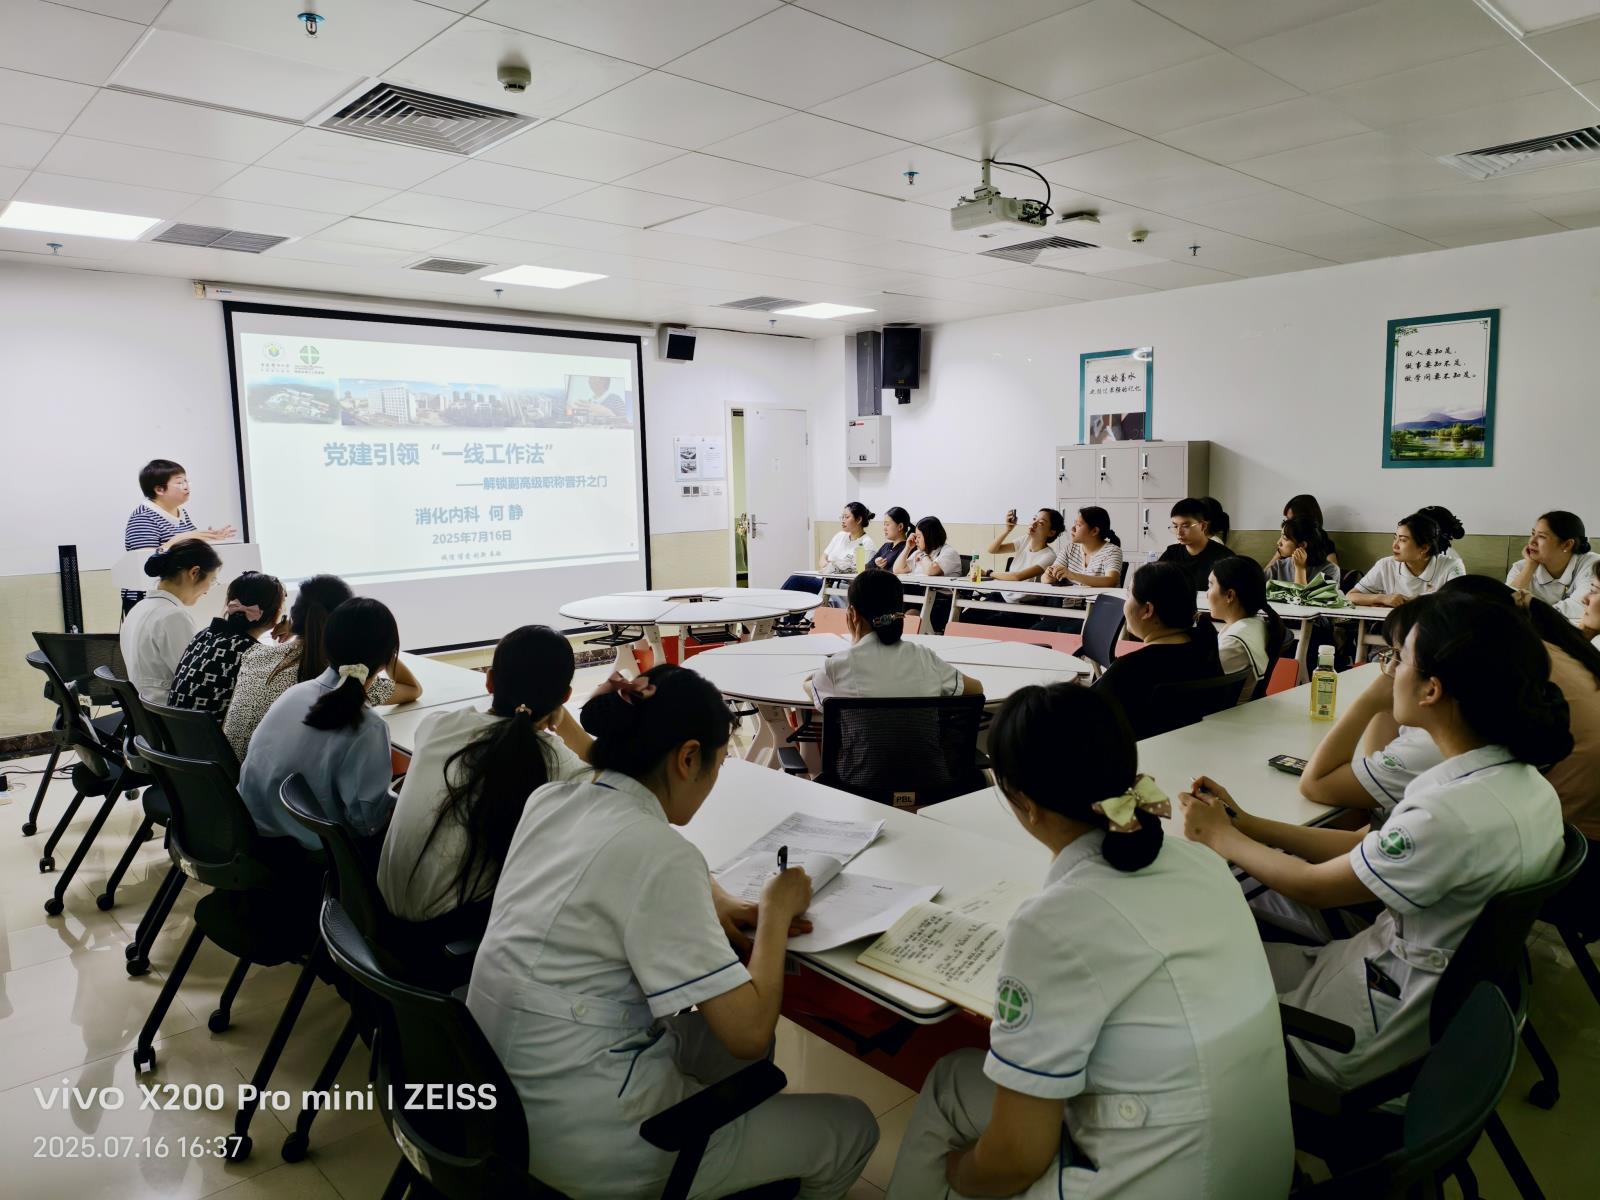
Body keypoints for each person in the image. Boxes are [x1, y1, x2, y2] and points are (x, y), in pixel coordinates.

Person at [467, 664, 879, 1198]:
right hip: (592, 1143)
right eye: (716, 765)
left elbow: (632, 860)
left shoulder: (551, 801)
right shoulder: (659, 853)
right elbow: (749, 1031)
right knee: (851, 1127)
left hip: (504, 1102)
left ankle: (735, 1154)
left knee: (726, 1052)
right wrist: (776, 912)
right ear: (688, 758)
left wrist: (721, 898)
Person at [886, 685, 1292, 1200]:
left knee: (956, 1114)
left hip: (1158, 1177)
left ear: (1025, 805)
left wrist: (956, 1172)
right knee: (960, 1085)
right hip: (1255, 1169)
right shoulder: (1202, 862)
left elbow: (1016, 1158)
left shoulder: (1052, 925)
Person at [1181, 592, 1568, 1091]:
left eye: (1397, 659)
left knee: (1178, 987)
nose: (1387, 671)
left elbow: (1313, 887)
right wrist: (1247, 824)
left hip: (1350, 1037)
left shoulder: (1449, 814)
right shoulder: (1520, 784)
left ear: (1432, 689)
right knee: (1223, 956)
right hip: (1390, 987)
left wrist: (1222, 838)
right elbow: (1365, 850)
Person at [379, 626, 593, 932]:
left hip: (380, 913)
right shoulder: (552, 759)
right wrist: (564, 723)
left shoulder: (437, 726)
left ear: (490, 679)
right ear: (566, 698)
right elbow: (607, 776)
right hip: (444, 934)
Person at [1440, 575, 1600, 844]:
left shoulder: (1523, 663)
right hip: (1574, 828)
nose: (1585, 597)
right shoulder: (1554, 648)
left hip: (1569, 839)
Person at [238, 597, 403, 850]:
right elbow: (367, 823)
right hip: (313, 857)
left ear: (327, 646)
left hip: (253, 837)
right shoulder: (368, 725)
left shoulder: (294, 694)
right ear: (388, 657)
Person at [224, 574, 420, 759]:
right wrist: (380, 643)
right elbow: (412, 689)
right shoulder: (340, 677)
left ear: (293, 616)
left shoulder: (254, 655)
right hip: (278, 789)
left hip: (235, 780)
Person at [1298, 602, 1439, 824]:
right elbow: (1376, 760)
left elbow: (1316, 783)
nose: (1390, 669)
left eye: (1399, 657)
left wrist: (1369, 702)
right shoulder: (1433, 730)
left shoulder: (1427, 746)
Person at [809, 570, 981, 701]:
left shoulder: (837, 667)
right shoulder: (925, 659)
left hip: (862, 749)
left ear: (852, 614)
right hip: (921, 749)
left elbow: (810, 687)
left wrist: (855, 644)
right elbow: (976, 688)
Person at [1094, 562, 1221, 739]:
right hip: (1193, 752)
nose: (1125, 602)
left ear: (1147, 610)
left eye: (1129, 594)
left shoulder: (1130, 670)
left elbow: (1086, 722)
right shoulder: (1206, 645)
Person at [121, 458, 235, 614]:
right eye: (180, 482)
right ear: (159, 489)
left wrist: (208, 538)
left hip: (177, 595)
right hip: (148, 599)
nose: (186, 487)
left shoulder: (181, 513)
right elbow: (146, 564)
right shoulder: (144, 516)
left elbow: (187, 547)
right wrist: (181, 539)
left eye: (187, 481)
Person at [167, 571, 286, 716]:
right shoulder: (252, 653)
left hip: (182, 735)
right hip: (216, 737)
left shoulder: (206, 634)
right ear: (275, 612)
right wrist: (299, 633)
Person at [120, 539, 222, 704]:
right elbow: (194, 681)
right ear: (194, 573)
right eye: (212, 580)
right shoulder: (173, 616)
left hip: (148, 712)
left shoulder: (139, 608)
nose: (208, 590)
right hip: (171, 715)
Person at [1346, 511, 1463, 607]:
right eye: (1395, 538)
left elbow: (1456, 602)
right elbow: (1351, 596)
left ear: (1424, 548)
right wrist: (1382, 598)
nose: (1395, 545)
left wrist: (1410, 601)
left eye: (1403, 540)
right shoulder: (1385, 565)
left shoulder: (1452, 565)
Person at [1206, 556, 1285, 697]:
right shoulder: (1255, 623)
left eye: (1210, 585)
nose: (1207, 594)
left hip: (1225, 715)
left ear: (1230, 595)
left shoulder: (1234, 642)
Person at [968, 508, 1063, 625]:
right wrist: (1007, 530)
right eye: (1034, 518)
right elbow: (992, 549)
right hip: (1002, 596)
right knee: (965, 618)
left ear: (1051, 532)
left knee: (983, 624)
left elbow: (1017, 577)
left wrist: (989, 573)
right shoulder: (1025, 540)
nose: (1033, 523)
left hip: (1022, 608)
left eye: (1041, 523)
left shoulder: (1049, 556)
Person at [1507, 511, 1598, 619]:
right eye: (1533, 534)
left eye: (1541, 536)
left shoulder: (1593, 565)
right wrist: (1530, 566)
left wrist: (1528, 613)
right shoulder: (1520, 568)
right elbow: (1506, 607)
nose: (1532, 541)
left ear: (1567, 544)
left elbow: (1581, 606)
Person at [779, 502, 876, 600]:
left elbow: (860, 573)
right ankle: (783, 611)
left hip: (842, 586)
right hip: (825, 580)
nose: (843, 521)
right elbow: (822, 559)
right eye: (842, 517)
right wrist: (832, 566)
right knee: (796, 582)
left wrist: (833, 566)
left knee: (796, 581)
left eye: (846, 517)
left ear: (859, 519)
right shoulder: (840, 536)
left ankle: (778, 611)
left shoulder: (866, 543)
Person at [1155, 498, 1234, 591]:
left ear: (1203, 526)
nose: (1179, 532)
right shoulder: (1171, 553)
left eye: (1185, 526)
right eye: (1175, 526)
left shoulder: (1223, 557)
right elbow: (1154, 581)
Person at [1042, 505, 1124, 589]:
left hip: (1099, 602)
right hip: (1068, 601)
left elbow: (1111, 581)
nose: (1073, 528)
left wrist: (1072, 575)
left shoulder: (1112, 551)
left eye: (1078, 525)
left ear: (1094, 531)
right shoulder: (1069, 549)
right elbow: (1044, 579)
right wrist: (1049, 576)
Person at [1266, 494, 1339, 569]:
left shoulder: (1324, 543)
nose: (1287, 524)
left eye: (1291, 520)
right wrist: (1279, 554)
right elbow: (1265, 576)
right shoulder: (1285, 544)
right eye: (1286, 519)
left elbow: (1332, 577)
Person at [1266, 516, 1340, 586]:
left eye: (1285, 538)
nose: (1278, 542)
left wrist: (1300, 568)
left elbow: (1301, 599)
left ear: (1302, 545)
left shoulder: (1330, 570)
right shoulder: (1278, 567)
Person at [894, 515, 962, 577]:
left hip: (937, 590)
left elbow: (931, 571)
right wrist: (907, 548)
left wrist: (923, 555)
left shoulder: (950, 553)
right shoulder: (919, 552)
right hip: (917, 589)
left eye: (918, 537)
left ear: (929, 537)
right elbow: (897, 569)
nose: (916, 540)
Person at [869, 506, 913, 571]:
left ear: (900, 526)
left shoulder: (908, 548)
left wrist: (880, 568)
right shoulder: (885, 546)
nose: (884, 528)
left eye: (887, 524)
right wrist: (875, 562)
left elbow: (897, 570)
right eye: (884, 524)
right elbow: (869, 566)